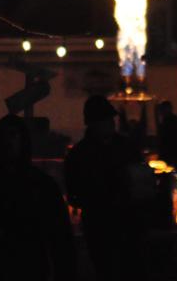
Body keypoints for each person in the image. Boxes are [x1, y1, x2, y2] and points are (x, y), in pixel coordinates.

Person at [0, 114, 75, 280]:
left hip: (28, 265)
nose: (8, 141)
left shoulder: (41, 185)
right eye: (4, 136)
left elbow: (59, 235)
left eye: (13, 135)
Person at [65, 95, 147, 281]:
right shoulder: (122, 148)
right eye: (106, 119)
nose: (111, 123)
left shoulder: (81, 153)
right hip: (106, 224)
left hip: (120, 222)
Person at [155, 100, 177, 169]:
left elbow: (166, 138)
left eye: (162, 110)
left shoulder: (169, 122)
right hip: (171, 152)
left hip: (170, 152)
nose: (160, 112)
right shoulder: (172, 120)